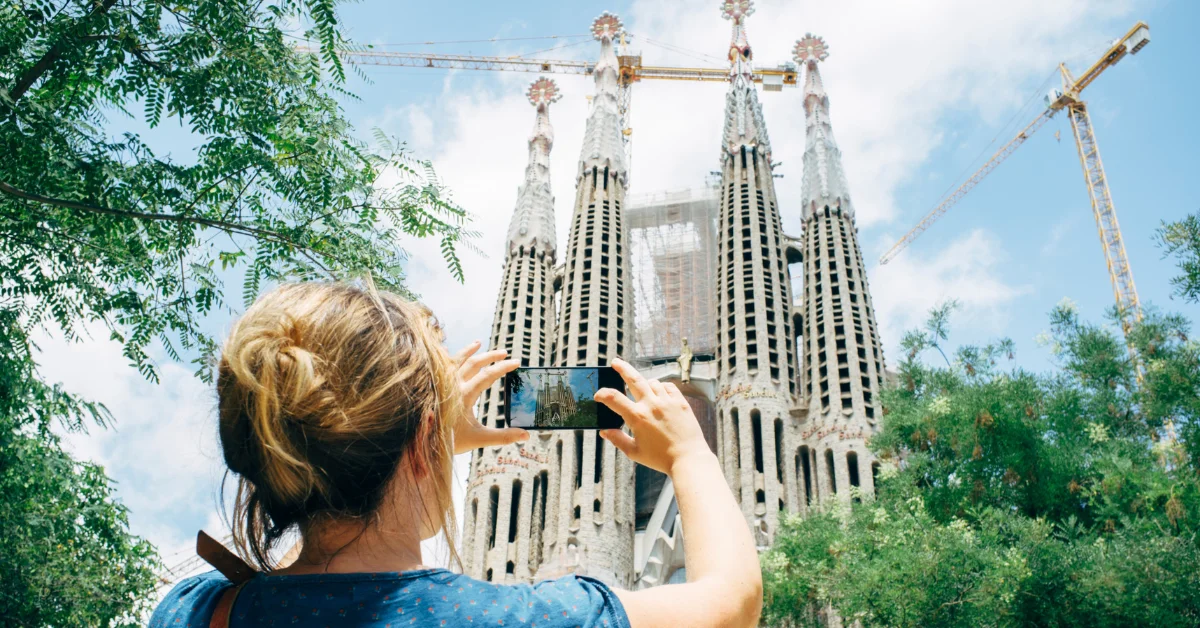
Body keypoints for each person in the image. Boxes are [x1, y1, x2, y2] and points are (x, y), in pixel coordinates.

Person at [149, 282, 761, 628]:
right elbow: (731, 602)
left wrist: (421, 439)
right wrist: (691, 454)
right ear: (422, 446)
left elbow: (318, 580)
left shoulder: (199, 608)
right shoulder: (499, 618)